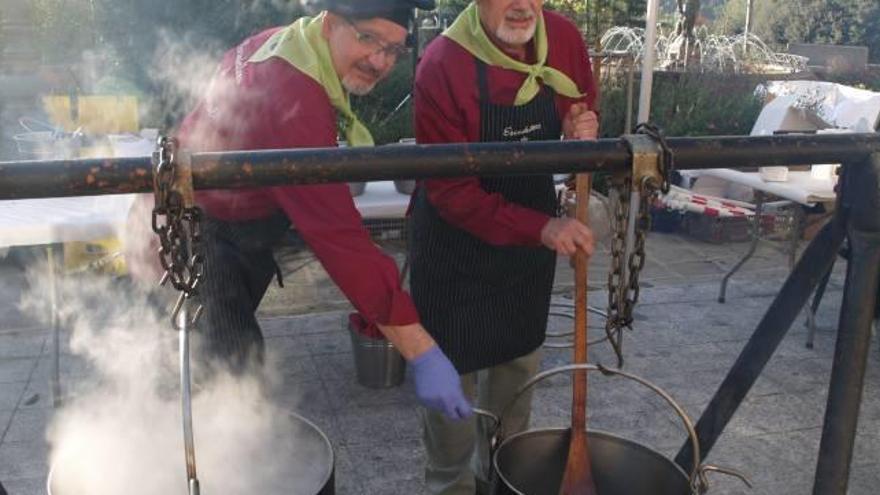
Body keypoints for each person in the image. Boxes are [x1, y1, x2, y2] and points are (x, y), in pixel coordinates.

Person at [130, 0, 473, 421]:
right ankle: (223, 469)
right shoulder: (292, 94)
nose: (380, 61)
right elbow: (339, 239)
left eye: (394, 49)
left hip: (223, 214)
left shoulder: (287, 42)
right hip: (202, 226)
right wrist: (422, 351)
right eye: (368, 38)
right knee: (231, 378)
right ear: (331, 24)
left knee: (211, 366)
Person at [408, 0, 599, 493]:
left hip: (526, 257)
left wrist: (584, 129)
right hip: (455, 255)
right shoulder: (442, 65)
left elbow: (584, 105)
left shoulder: (563, 39)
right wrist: (541, 228)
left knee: (515, 408)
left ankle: (503, 480)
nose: (521, 6)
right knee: (452, 424)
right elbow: (450, 191)